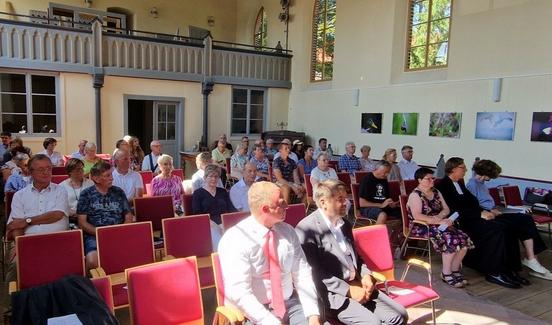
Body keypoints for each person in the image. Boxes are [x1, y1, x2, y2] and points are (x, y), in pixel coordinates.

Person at [296, 179, 408, 324]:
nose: (346, 203)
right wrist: (348, 290)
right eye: (340, 199)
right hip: (334, 294)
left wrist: (366, 275)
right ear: (323, 202)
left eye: (346, 198)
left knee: (399, 315)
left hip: (358, 284)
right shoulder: (307, 230)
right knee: (372, 323)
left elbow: (357, 258)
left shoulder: (344, 224)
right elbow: (314, 273)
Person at [218, 181, 322, 325]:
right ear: (266, 209)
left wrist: (312, 314)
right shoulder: (236, 239)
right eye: (281, 202)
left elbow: (302, 273)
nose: (287, 205)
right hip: (251, 312)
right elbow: (239, 293)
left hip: (290, 305)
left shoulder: (288, 232)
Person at [435, 157, 528, 288]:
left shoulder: (459, 183)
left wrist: (483, 211)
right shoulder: (443, 185)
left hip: (473, 217)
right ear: (454, 169)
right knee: (497, 230)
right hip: (461, 221)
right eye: (463, 167)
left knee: (509, 227)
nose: (466, 170)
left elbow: (472, 202)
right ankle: (494, 271)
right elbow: (453, 209)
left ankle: (509, 269)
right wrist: (479, 214)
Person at [466, 159, 552, 280]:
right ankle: (532, 261)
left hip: (494, 211)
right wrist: (490, 211)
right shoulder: (472, 185)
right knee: (516, 225)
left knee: (526, 219)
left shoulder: (482, 185)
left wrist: (495, 209)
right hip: (487, 215)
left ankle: (531, 258)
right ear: (485, 174)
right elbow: (473, 206)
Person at [407, 167, 474, 288]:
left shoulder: (436, 192)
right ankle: (446, 273)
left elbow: (446, 209)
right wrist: (437, 221)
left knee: (463, 239)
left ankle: (454, 270)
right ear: (419, 180)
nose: (432, 181)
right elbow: (417, 215)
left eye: (433, 178)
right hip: (421, 226)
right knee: (450, 239)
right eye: (429, 179)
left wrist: (441, 218)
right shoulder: (415, 195)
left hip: (438, 223)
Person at [77, 161, 133, 270]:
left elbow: (128, 216)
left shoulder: (118, 192)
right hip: (94, 235)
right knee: (93, 261)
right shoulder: (86, 194)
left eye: (111, 175)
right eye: (107, 176)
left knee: (134, 256)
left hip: (119, 233)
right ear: (96, 179)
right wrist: (101, 233)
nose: (111, 178)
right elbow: (82, 222)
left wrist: (121, 230)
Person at [7, 154, 69, 239]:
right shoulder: (19, 195)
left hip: (58, 239)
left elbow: (57, 215)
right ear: (30, 172)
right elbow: (17, 226)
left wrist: (27, 221)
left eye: (49, 168)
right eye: (41, 169)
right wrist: (22, 246)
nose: (46, 172)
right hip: (29, 241)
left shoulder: (61, 190)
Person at [192, 164, 236, 249]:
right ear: (205, 177)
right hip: (208, 224)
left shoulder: (223, 192)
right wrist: (215, 225)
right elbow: (197, 213)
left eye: (216, 176)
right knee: (219, 238)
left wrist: (227, 223)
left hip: (225, 223)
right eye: (211, 176)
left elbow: (231, 209)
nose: (214, 179)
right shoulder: (198, 193)